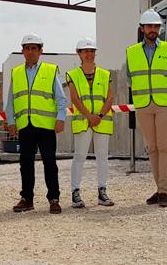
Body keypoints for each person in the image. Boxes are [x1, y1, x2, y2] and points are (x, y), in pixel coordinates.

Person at [125, 9, 167, 208]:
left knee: (165, 147)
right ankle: (159, 188)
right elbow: (129, 77)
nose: (153, 30)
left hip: (165, 105)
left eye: (156, 26)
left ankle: (164, 191)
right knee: (151, 148)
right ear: (142, 28)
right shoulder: (132, 52)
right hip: (144, 104)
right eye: (149, 26)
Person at [5, 33, 68, 214]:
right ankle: (27, 199)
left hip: (46, 126)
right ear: (23, 51)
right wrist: (11, 122)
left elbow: (60, 98)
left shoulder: (50, 70)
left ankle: (54, 199)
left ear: (41, 51)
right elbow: (11, 100)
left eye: (34, 48)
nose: (31, 51)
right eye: (27, 48)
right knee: (25, 163)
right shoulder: (16, 73)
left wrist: (60, 118)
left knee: (49, 162)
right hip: (25, 125)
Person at [67, 37, 115, 209]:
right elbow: (74, 98)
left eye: (92, 51)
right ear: (79, 53)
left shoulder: (105, 74)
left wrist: (99, 116)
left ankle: (102, 192)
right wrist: (89, 116)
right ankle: (75, 193)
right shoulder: (73, 74)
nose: (89, 54)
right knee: (79, 157)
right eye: (86, 51)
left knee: (102, 157)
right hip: (84, 121)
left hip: (101, 121)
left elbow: (110, 97)